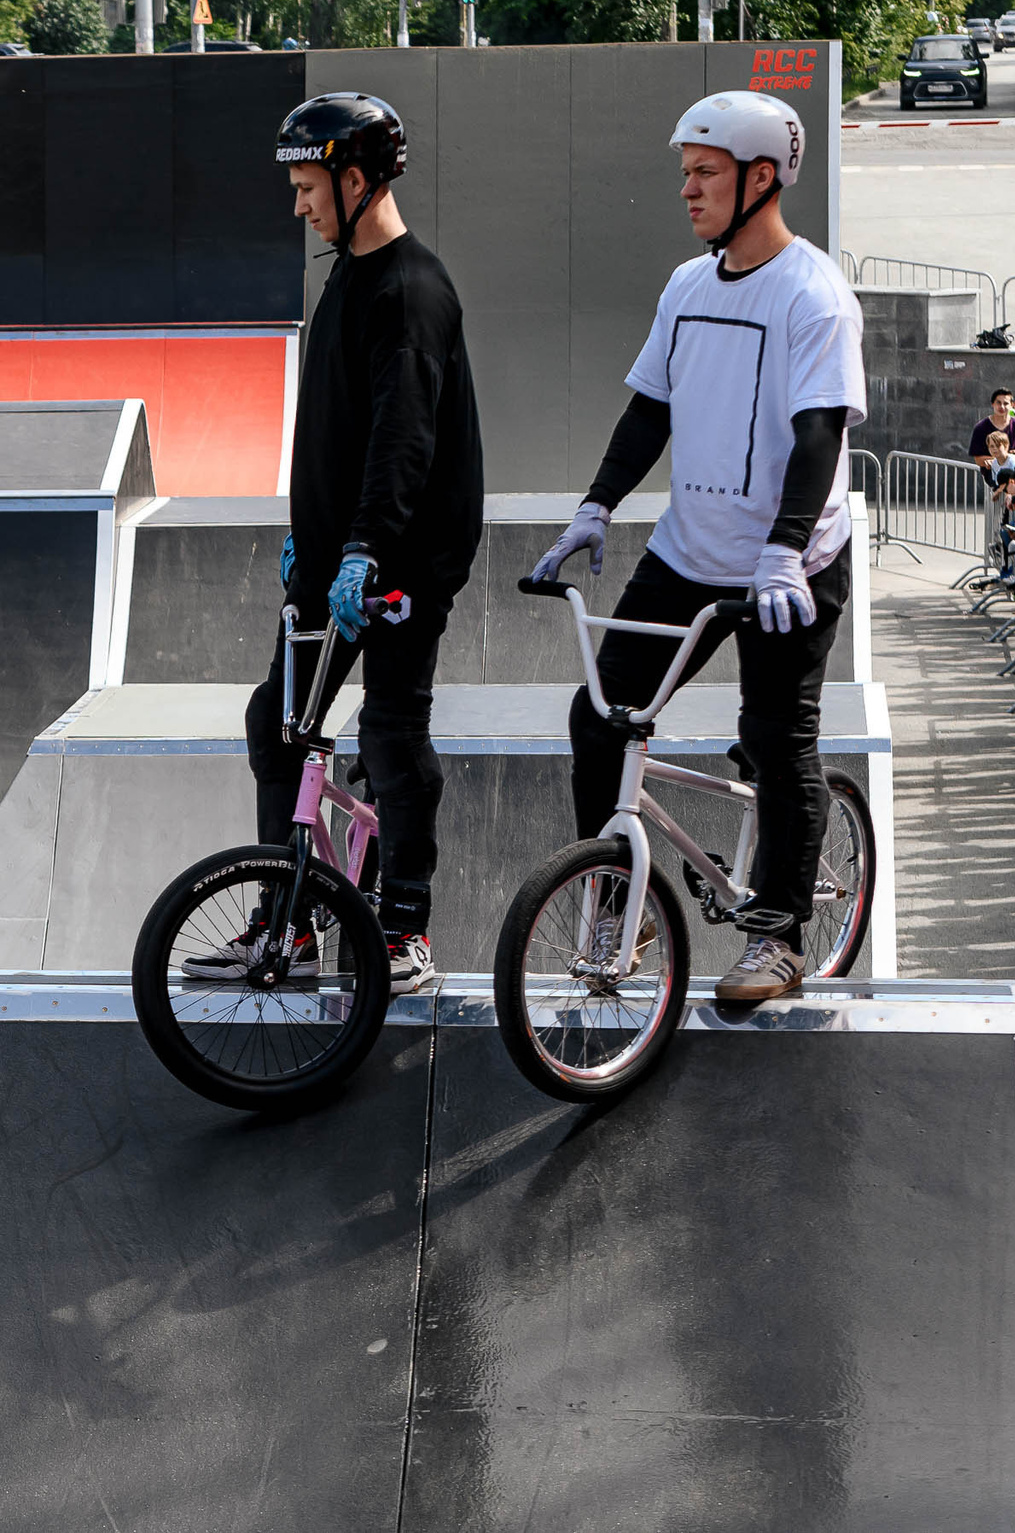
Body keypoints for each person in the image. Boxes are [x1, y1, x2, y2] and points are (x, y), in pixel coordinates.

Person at [533, 91, 861, 1003]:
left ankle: (780, 936)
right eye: (685, 172)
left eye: (706, 172)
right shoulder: (686, 284)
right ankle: (620, 902)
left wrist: (786, 550)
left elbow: (818, 433)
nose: (688, 188)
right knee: (600, 718)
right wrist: (595, 507)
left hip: (788, 567)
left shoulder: (813, 295)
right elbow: (652, 408)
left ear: (763, 179)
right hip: (689, 554)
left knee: (774, 734)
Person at [195, 95, 486, 994]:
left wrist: (360, 549)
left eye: (308, 186)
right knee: (275, 723)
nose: (298, 205)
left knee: (391, 732)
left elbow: (404, 442)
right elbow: (334, 430)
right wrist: (307, 543)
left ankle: (404, 927)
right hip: (334, 557)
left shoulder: (412, 292)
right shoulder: (347, 275)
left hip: (398, 563)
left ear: (356, 180)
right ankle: (294, 916)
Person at [973, 390, 1015, 471]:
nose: (1002, 407)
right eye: (998, 403)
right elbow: (978, 459)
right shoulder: (982, 427)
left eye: (1006, 403)